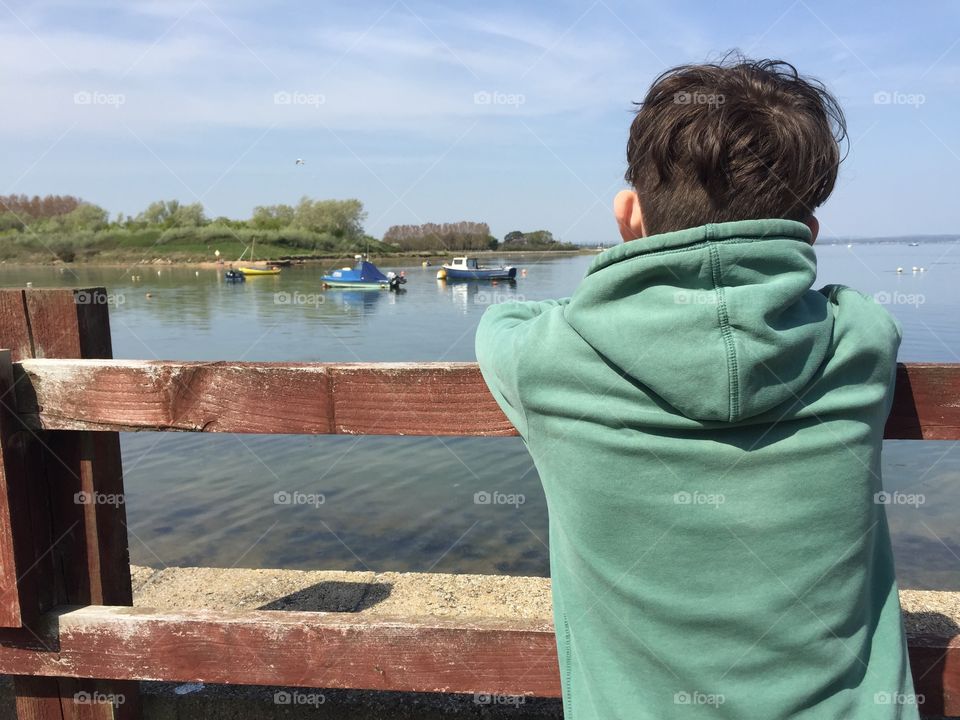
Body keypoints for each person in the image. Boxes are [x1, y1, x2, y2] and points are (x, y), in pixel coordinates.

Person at [476, 55, 918, 719]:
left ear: (630, 215)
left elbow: (505, 318)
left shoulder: (545, 358)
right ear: (808, 234)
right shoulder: (859, 337)